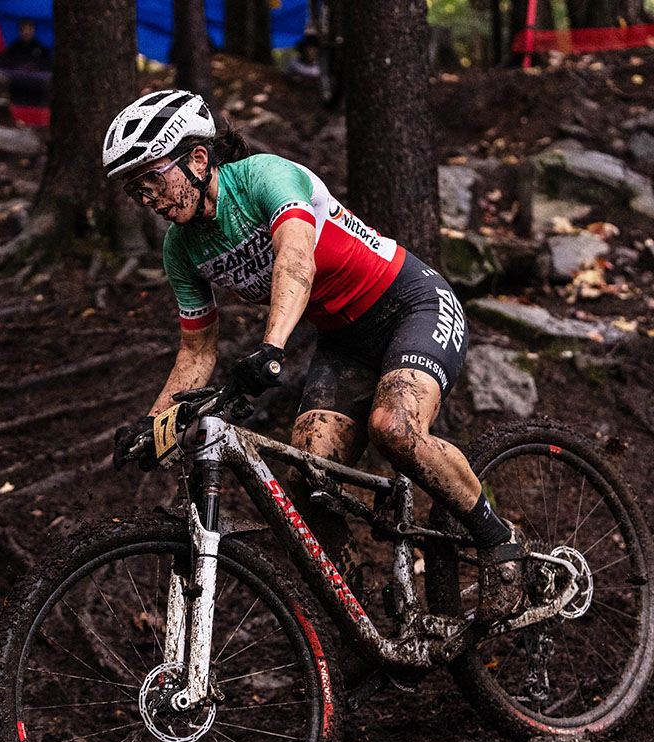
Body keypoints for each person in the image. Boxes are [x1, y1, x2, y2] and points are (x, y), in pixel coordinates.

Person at [105, 90, 528, 624]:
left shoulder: (264, 177)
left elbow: (296, 260)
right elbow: (196, 349)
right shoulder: (180, 250)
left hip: (409, 303)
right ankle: (356, 622)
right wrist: (154, 422)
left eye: (152, 179)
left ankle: (501, 542)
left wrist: (271, 349)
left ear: (196, 158)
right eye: (135, 189)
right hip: (343, 340)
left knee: (394, 428)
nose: (148, 197)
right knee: (311, 470)